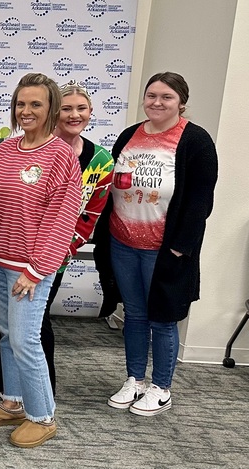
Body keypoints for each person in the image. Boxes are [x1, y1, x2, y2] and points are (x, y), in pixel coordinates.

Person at [0, 73, 81, 448]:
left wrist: (36, 270)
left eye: (36, 104)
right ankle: (13, 403)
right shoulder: (4, 148)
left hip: (29, 268)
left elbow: (62, 219)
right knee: (7, 334)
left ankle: (43, 415)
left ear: (50, 109)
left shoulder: (61, 155)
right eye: (21, 103)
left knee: (25, 339)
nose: (27, 110)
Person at [98, 72, 217, 416]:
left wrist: (181, 247)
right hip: (122, 243)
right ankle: (134, 379)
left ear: (181, 101)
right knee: (134, 314)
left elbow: (200, 200)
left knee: (163, 318)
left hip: (164, 250)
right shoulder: (129, 135)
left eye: (166, 97)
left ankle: (161, 387)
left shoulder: (195, 141)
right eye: (151, 95)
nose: (157, 103)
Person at [0, 81, 115, 397]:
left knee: (31, 329)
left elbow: (90, 214)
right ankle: (12, 394)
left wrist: (60, 251)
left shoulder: (100, 160)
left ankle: (39, 398)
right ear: (54, 111)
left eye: (81, 108)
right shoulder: (22, 146)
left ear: (91, 113)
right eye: (66, 108)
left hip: (55, 255)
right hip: (19, 253)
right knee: (15, 328)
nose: (74, 115)